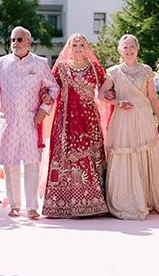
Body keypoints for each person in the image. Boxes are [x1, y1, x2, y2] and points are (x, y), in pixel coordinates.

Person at [99, 34, 159, 220]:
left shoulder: (146, 71)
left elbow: (153, 98)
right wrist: (118, 102)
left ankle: (147, 199)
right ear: (120, 50)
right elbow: (101, 95)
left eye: (132, 47)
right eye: (125, 47)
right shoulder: (114, 72)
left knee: (147, 155)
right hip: (123, 120)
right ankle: (127, 202)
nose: (129, 50)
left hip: (144, 118)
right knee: (126, 154)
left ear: (137, 49)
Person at [0, 26, 59, 220]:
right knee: (11, 164)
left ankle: (32, 206)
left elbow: (53, 88)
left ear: (28, 42)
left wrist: (44, 109)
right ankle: (15, 205)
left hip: (31, 120)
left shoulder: (40, 63)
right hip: (8, 121)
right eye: (12, 40)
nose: (14, 43)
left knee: (32, 163)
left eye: (18, 39)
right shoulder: (0, 63)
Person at [41, 33, 108, 218]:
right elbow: (51, 87)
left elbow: (106, 88)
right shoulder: (62, 67)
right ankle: (61, 204)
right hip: (66, 121)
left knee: (91, 157)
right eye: (74, 45)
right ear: (69, 48)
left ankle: (94, 202)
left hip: (89, 120)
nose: (78, 49)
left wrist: (112, 95)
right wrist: (45, 95)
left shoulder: (94, 68)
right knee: (65, 156)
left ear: (86, 47)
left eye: (81, 45)